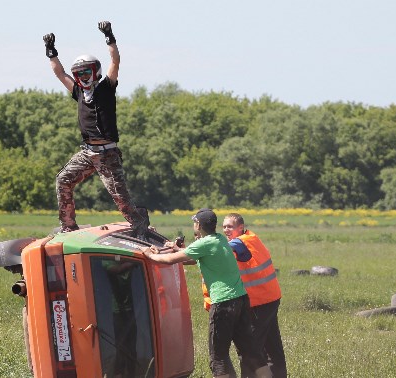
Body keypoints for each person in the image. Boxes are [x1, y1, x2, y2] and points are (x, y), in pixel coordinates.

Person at [42, 22, 149, 239]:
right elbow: (60, 73)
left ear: (95, 71)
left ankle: (140, 227)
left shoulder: (106, 88)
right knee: (63, 179)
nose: (81, 76)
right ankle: (68, 226)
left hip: (107, 153)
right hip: (87, 152)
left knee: (121, 198)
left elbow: (115, 61)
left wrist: (109, 36)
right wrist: (51, 52)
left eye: (85, 71)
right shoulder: (78, 92)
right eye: (78, 73)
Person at [141, 208, 271, 378]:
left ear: (199, 225)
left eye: (195, 222)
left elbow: (170, 261)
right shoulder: (220, 240)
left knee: (218, 357)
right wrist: (175, 249)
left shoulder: (203, 243)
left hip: (224, 304)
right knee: (251, 352)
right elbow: (193, 259)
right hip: (240, 300)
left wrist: (150, 255)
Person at [221, 213, 287, 378]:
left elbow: (220, 251)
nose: (226, 230)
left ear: (240, 228)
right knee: (272, 347)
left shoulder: (240, 242)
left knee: (249, 347)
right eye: (224, 227)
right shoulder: (251, 237)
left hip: (260, 301)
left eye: (230, 226)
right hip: (269, 298)